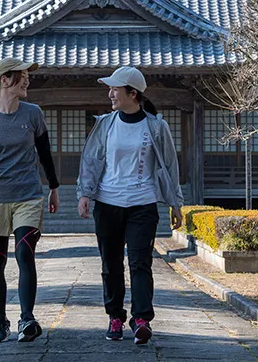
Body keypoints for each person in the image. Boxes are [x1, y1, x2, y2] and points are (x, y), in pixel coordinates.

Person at [76, 66, 184, 345]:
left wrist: (175, 203)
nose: (110, 94)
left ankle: (141, 319)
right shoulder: (105, 124)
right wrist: (84, 194)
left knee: (140, 263)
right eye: (110, 89)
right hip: (108, 202)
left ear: (132, 93)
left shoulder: (156, 127)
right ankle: (114, 316)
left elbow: (169, 166)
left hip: (143, 203)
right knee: (111, 264)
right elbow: (90, 160)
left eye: (115, 89)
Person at [0, 58, 61, 343]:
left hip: (28, 195)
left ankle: (27, 318)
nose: (27, 81)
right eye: (21, 76)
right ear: (4, 81)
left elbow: (44, 154)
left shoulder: (33, 114)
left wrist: (54, 188)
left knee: (24, 253)